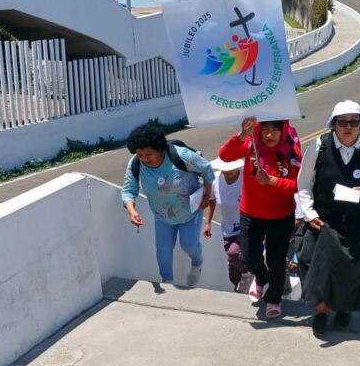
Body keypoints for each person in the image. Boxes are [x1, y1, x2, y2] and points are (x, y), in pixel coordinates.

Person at [297, 100, 360, 337]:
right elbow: (305, 182)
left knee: (350, 270)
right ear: (334, 124)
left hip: (356, 221)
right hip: (324, 219)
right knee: (313, 264)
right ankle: (321, 311)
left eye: (354, 122)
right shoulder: (319, 145)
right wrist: (309, 213)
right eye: (343, 122)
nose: (348, 127)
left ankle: (343, 308)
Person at [218, 117, 301, 319]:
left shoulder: (291, 149)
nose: (269, 135)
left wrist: (273, 181)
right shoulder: (250, 143)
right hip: (251, 213)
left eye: (275, 129)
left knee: (276, 261)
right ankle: (262, 278)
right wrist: (242, 135)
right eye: (265, 129)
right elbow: (225, 156)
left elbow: (299, 185)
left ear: (283, 130)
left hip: (281, 216)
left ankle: (274, 299)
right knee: (248, 257)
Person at [121, 125, 215, 287]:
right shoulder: (135, 164)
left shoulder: (180, 155)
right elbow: (128, 190)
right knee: (163, 250)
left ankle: (197, 263)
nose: (144, 159)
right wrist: (131, 211)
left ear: (159, 149)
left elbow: (206, 169)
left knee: (189, 245)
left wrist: (207, 195)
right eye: (140, 155)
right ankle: (167, 281)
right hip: (162, 217)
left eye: (148, 154)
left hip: (190, 212)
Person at [202, 158, 250, 292]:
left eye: (231, 170)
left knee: (233, 253)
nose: (228, 173)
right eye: (225, 170)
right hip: (228, 229)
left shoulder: (247, 179)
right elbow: (211, 201)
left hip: (247, 226)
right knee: (232, 269)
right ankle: (239, 288)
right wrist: (207, 223)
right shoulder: (215, 180)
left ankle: (250, 273)